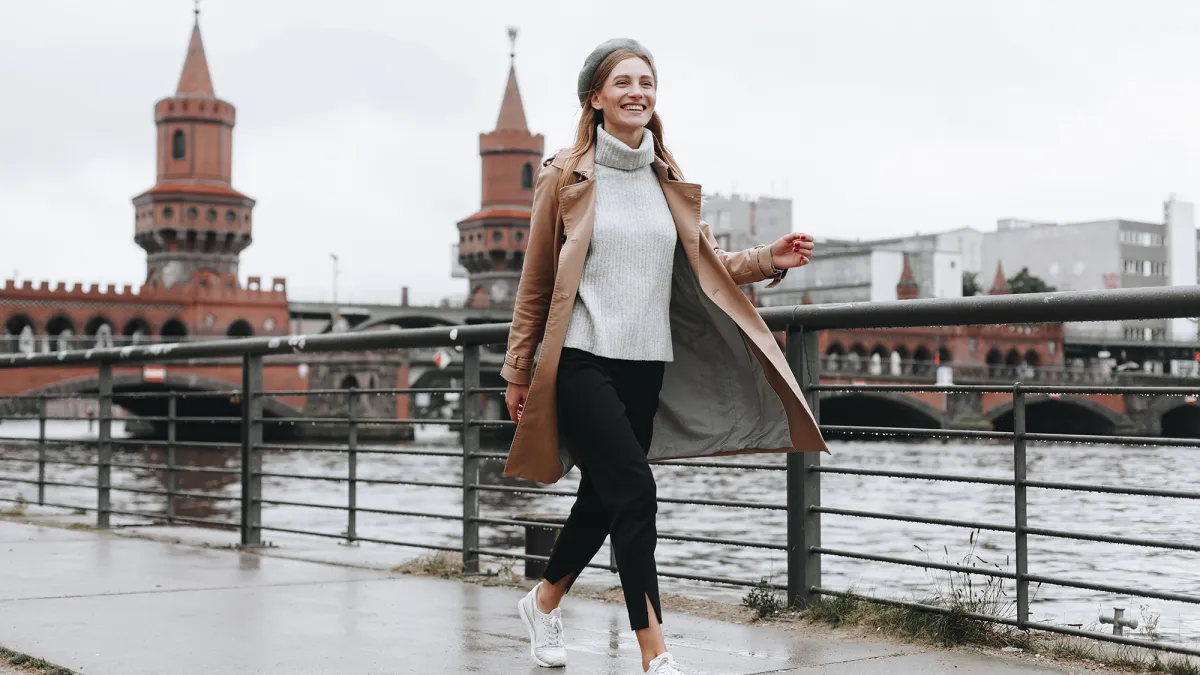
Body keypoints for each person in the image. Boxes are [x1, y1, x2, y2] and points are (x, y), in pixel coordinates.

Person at [501, 38, 827, 674]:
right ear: (595, 98)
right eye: (622, 82)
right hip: (581, 357)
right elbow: (536, 281)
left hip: (646, 362)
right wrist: (518, 369)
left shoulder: (667, 181)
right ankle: (656, 652)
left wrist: (768, 260)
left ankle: (542, 602)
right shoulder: (564, 177)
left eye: (646, 82)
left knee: (604, 494)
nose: (636, 92)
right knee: (635, 490)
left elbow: (707, 264)